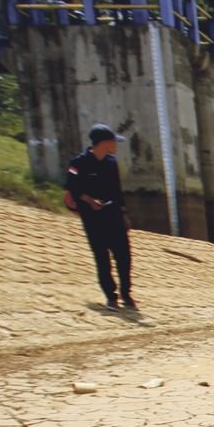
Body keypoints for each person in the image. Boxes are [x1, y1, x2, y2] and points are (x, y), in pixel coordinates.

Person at [64, 124, 137, 310]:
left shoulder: (112, 163)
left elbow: (117, 191)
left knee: (124, 256)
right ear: (103, 143)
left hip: (113, 214)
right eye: (113, 141)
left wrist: (124, 214)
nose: (115, 145)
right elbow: (72, 188)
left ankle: (126, 293)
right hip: (93, 217)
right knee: (102, 257)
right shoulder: (78, 163)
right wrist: (89, 200)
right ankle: (110, 297)